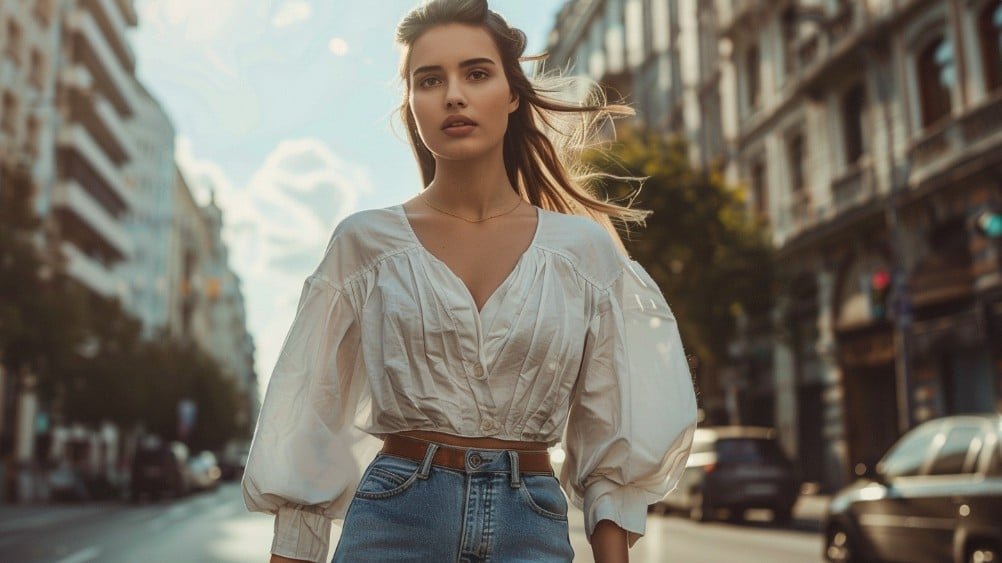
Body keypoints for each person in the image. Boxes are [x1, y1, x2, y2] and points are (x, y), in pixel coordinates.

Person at [241, 1, 698, 562]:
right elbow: (309, 422)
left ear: (512, 94)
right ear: (411, 104)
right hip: (392, 524)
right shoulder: (364, 244)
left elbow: (611, 435)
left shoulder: (582, 252)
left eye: (476, 73)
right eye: (429, 80)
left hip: (531, 530)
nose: (453, 95)